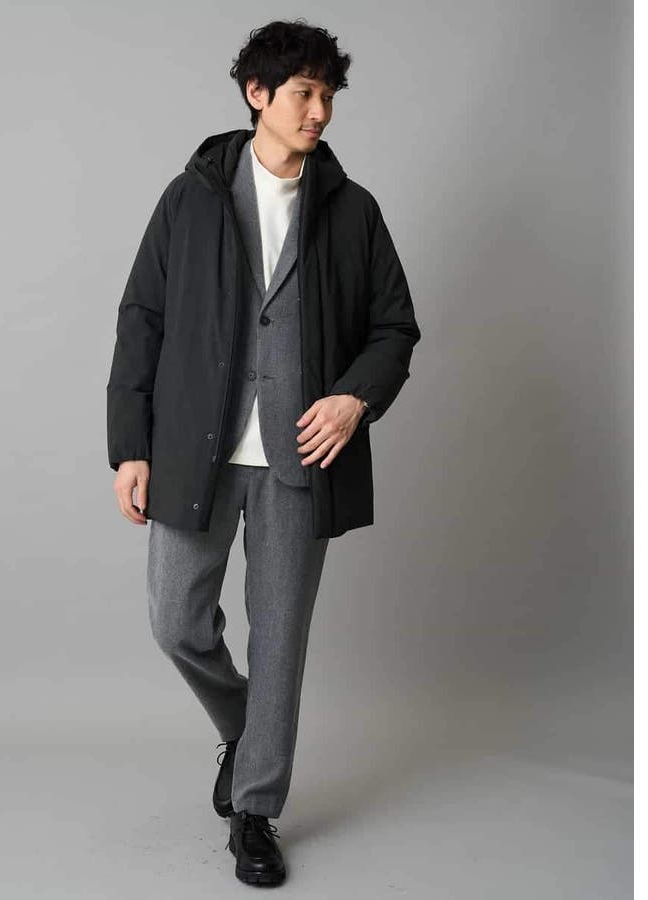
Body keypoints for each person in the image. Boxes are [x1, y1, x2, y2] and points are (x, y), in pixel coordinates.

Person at [106, 18, 421, 887]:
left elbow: (395, 328)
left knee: (280, 642)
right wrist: (130, 447)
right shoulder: (191, 198)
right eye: (305, 93)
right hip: (193, 451)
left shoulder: (352, 212)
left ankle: (255, 811)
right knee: (175, 621)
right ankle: (248, 732)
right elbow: (141, 319)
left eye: (329, 96)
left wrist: (354, 399)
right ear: (258, 94)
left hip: (299, 459)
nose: (320, 111)